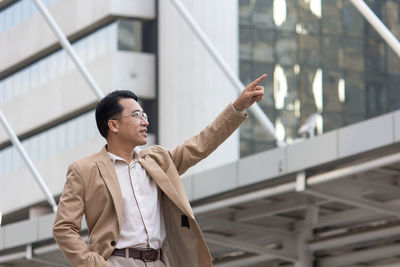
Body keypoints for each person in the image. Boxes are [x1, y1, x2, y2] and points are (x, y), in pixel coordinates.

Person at [53, 74, 266, 267]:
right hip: (117, 262)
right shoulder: (84, 170)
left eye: (144, 114)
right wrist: (95, 264)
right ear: (114, 125)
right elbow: (63, 227)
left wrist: (237, 107)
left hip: (160, 262)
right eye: (136, 115)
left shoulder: (158, 161)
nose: (145, 121)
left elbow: (202, 144)